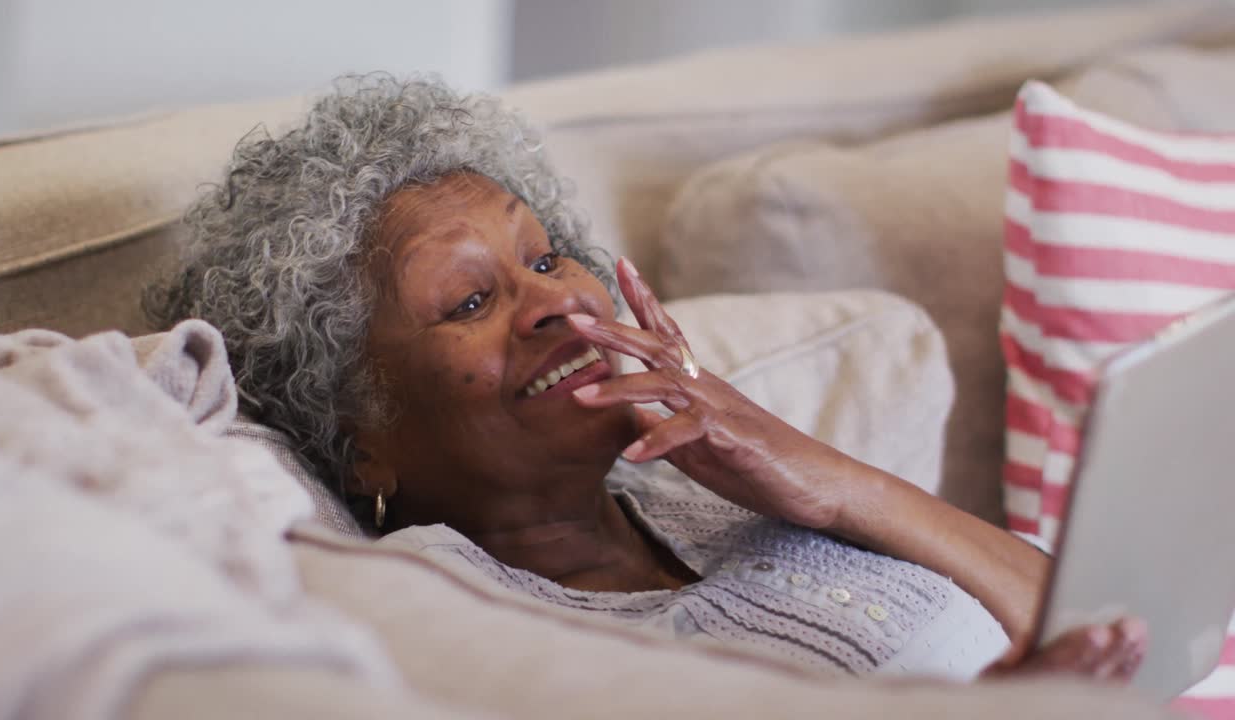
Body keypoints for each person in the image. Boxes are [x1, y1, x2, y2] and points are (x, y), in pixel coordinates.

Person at [146, 73, 1145, 680]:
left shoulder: (719, 495)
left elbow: (1122, 640)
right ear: (359, 428)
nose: (553, 304)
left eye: (543, 259)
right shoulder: (442, 610)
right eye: (467, 303)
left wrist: (826, 481)